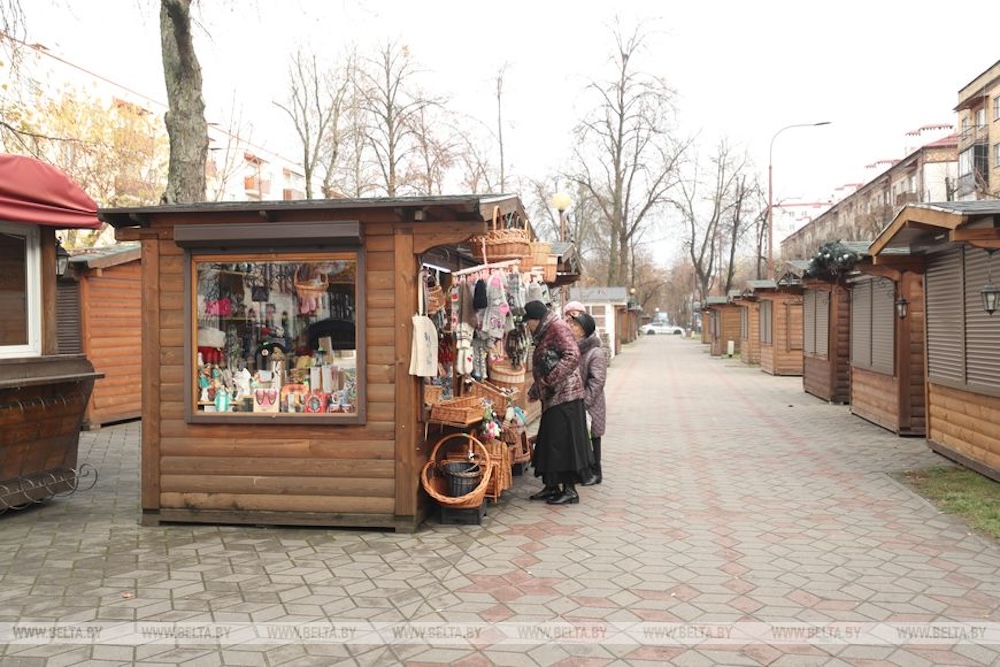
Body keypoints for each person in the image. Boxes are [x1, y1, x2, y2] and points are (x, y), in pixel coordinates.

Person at [523, 300, 593, 505]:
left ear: (536, 319)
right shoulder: (546, 330)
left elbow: (572, 355)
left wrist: (549, 380)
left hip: (566, 397)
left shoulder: (557, 327)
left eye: (528, 322)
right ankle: (551, 486)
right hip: (553, 397)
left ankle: (570, 490)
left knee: (564, 444)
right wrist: (537, 388)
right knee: (550, 442)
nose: (527, 326)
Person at [568, 312, 607, 485]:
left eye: (575, 325)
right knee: (581, 437)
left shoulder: (595, 353)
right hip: (577, 401)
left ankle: (596, 473)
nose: (571, 327)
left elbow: (597, 381)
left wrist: (584, 402)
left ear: (584, 330)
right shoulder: (574, 349)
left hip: (591, 403)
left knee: (593, 437)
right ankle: (583, 472)